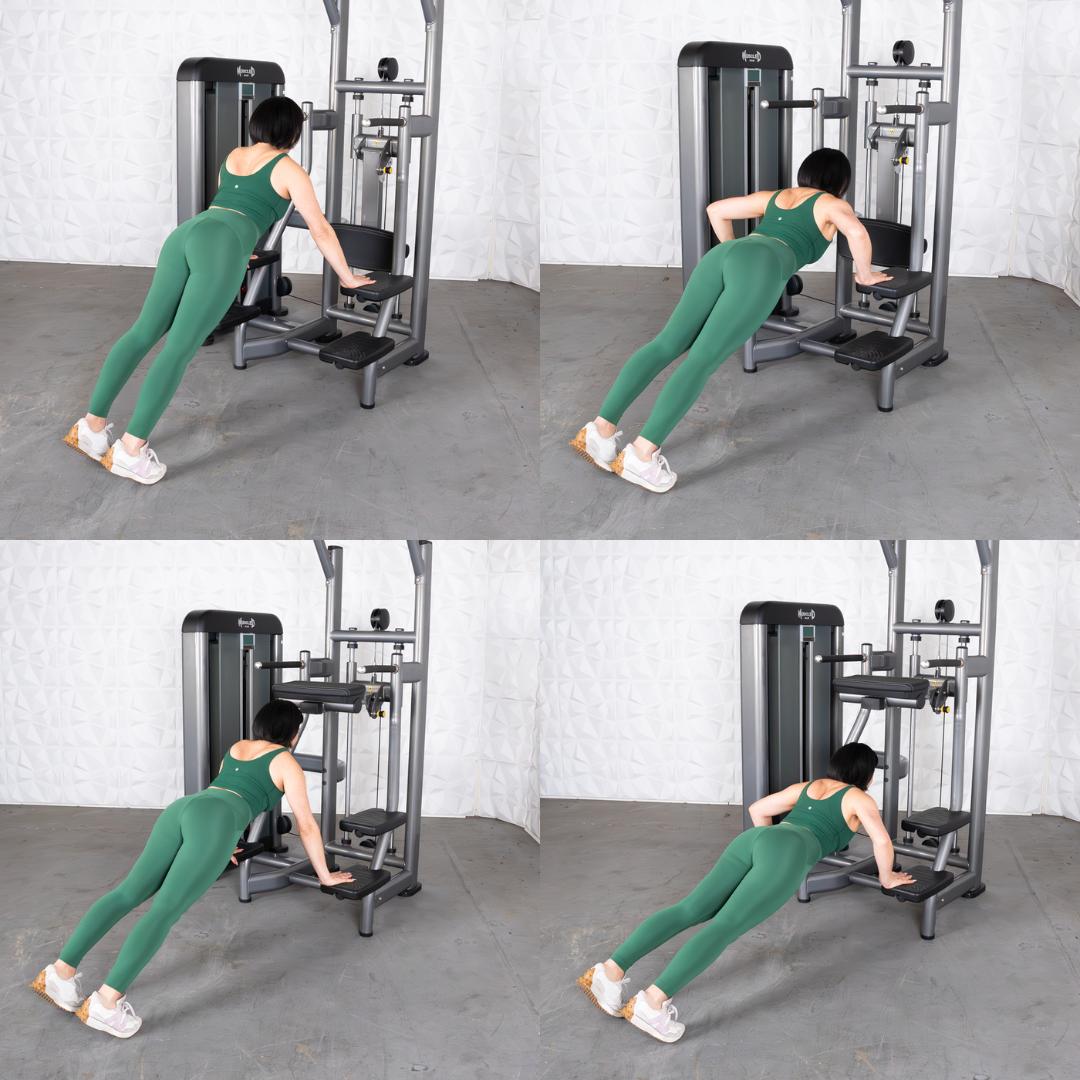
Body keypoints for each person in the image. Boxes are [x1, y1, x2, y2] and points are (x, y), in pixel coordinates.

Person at [63, 96, 374, 484]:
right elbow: (320, 229)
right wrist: (347, 277)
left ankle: (90, 428)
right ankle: (130, 451)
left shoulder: (235, 155)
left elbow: (230, 207)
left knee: (143, 332)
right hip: (221, 245)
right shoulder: (290, 169)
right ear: (293, 132)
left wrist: (233, 250)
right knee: (179, 346)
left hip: (188, 234)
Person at [569, 148, 892, 493]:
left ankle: (600, 431)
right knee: (702, 358)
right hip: (762, 265)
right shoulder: (832, 204)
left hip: (723, 255)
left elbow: (716, 210)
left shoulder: (776, 197)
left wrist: (736, 255)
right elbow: (857, 233)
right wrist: (865, 274)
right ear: (842, 182)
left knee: (666, 343)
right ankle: (642, 455)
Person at [30, 700, 354, 1037]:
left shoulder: (238, 748)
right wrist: (324, 874)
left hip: (184, 809)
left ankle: (60, 973)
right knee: (165, 910)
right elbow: (306, 825)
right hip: (216, 822)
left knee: (127, 893)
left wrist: (223, 842)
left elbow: (226, 792)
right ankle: (106, 1004)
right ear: (294, 733)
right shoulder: (286, 761)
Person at [576, 743, 915, 1042]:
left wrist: (767, 849)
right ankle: (651, 1004)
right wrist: (887, 878)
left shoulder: (810, 786)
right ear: (867, 775)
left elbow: (758, 809)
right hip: (789, 851)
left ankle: (609, 972)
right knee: (725, 926)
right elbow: (881, 840)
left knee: (690, 909)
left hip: (755, 840)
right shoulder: (858, 797)